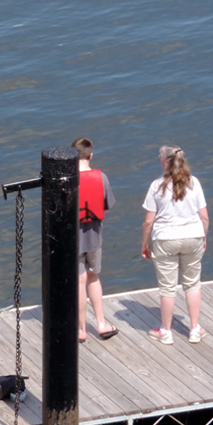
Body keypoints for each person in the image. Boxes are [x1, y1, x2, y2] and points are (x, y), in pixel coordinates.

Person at [140, 146, 209, 345]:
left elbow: (148, 221)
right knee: (192, 283)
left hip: (165, 239)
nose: (159, 159)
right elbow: (204, 216)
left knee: (167, 288)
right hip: (193, 236)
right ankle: (195, 329)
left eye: (160, 157)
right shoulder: (194, 183)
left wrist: (145, 244)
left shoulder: (157, 186)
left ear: (166, 161)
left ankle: (166, 331)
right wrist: (203, 237)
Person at [71, 138, 118, 341]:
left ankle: (81, 330)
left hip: (73, 239)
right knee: (94, 278)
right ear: (91, 155)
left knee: (79, 282)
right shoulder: (102, 178)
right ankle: (101, 324)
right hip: (94, 237)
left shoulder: (68, 180)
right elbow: (106, 206)